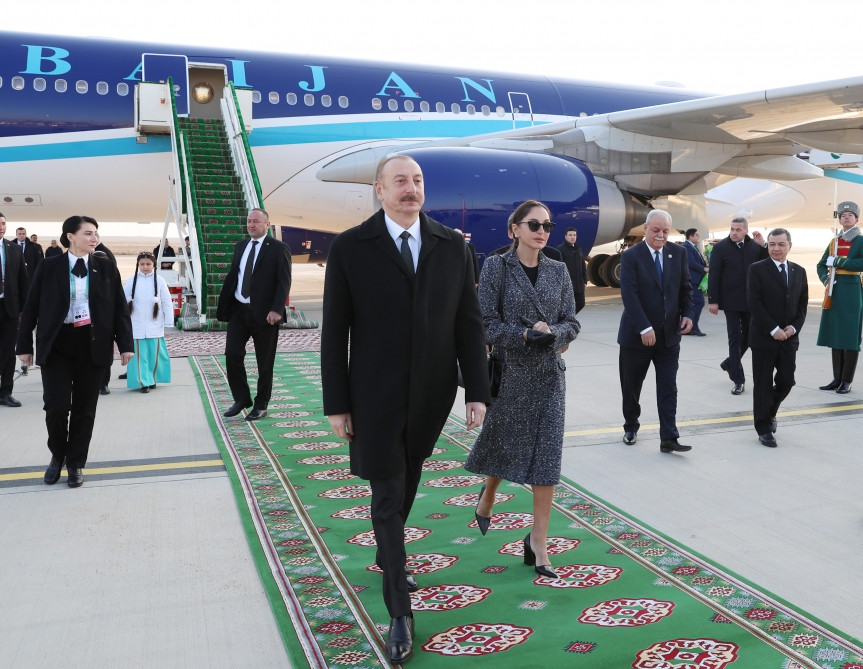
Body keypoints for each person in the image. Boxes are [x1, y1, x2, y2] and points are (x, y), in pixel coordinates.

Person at [321, 154, 489, 665]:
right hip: (373, 395)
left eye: (416, 180)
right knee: (388, 491)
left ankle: (385, 550)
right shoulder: (350, 247)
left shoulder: (452, 247)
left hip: (432, 395)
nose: (410, 188)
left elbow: (468, 323)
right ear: (379, 190)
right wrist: (337, 404)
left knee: (409, 476)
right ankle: (400, 610)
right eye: (399, 181)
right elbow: (335, 331)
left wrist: (476, 390)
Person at [466, 200, 579, 580]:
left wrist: (555, 334)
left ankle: (539, 542)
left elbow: (571, 322)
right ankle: (488, 494)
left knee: (546, 460)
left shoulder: (558, 269)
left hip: (549, 377)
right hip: (510, 373)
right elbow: (485, 323)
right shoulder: (496, 266)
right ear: (514, 229)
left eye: (547, 225)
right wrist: (525, 335)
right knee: (502, 442)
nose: (542, 231)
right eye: (534, 224)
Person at [16, 215, 133, 488]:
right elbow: (31, 306)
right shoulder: (48, 266)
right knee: (56, 407)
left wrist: (126, 344)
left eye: (96, 234)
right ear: (71, 236)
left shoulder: (106, 267)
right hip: (57, 344)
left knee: (85, 409)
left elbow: (119, 307)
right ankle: (58, 454)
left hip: (92, 343)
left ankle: (75, 462)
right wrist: (24, 346)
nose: (94, 238)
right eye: (88, 233)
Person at [617, 209, 694, 453]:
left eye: (665, 231)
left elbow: (686, 288)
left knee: (668, 387)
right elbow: (630, 296)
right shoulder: (631, 256)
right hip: (636, 337)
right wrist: (644, 327)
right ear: (645, 229)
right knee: (631, 387)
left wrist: (688, 314)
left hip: (669, 336)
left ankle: (669, 437)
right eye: (656, 230)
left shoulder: (678, 253)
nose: (661, 235)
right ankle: (631, 426)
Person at [216, 208, 292, 421]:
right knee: (232, 354)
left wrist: (277, 309)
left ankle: (261, 404)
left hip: (266, 315)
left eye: (256, 221)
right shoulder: (241, 246)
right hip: (239, 311)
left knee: (264, 363)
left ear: (267, 224)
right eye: (249, 221)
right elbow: (235, 275)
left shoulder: (278, 248)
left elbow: (284, 281)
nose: (251, 225)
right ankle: (241, 398)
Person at [747, 228, 808, 447]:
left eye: (781, 244)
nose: (776, 248)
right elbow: (754, 303)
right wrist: (774, 329)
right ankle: (764, 429)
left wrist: (793, 328)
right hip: (764, 337)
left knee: (787, 380)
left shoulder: (799, 271)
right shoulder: (757, 269)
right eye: (772, 244)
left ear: (789, 246)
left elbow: (802, 305)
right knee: (762, 384)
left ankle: (770, 410)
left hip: (789, 339)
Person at [707, 217, 768, 395]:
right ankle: (738, 379)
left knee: (749, 337)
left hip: (750, 301)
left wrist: (763, 245)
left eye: (738, 230)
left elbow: (766, 264)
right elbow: (714, 274)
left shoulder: (754, 246)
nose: (734, 233)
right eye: (732, 229)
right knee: (734, 338)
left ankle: (729, 363)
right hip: (730, 301)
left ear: (746, 230)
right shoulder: (720, 248)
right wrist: (713, 300)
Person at [816, 200, 863, 394]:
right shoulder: (834, 241)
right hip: (835, 290)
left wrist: (839, 262)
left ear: (856, 219)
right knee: (836, 335)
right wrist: (827, 280)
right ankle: (837, 379)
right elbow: (821, 265)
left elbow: (861, 263)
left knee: (850, 336)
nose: (846, 218)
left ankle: (846, 381)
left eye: (850, 215)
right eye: (843, 216)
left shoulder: (860, 240)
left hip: (852, 290)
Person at [124, 251, 173, 393]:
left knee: (154, 354)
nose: (145, 267)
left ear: (154, 265)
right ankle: (143, 382)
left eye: (148, 264)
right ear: (138, 265)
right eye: (142, 264)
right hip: (136, 323)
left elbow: (166, 302)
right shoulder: (131, 281)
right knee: (139, 356)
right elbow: (123, 301)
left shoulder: (160, 281)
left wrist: (169, 321)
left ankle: (152, 379)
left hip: (155, 324)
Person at [0, 213, 29, 407]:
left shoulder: (13, 249)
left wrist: (24, 309)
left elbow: (23, 280)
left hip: (9, 308)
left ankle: (5, 392)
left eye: (3, 223)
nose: (1, 227)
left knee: (8, 353)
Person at [683, 228, 708, 336]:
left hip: (696, 280)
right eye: (697, 235)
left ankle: (687, 326)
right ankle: (692, 327)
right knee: (699, 302)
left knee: (693, 304)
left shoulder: (692, 247)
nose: (699, 237)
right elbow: (691, 263)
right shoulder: (687, 247)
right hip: (693, 280)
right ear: (691, 236)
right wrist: (704, 269)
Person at [557, 227, 587, 313]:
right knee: (568, 306)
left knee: (581, 304)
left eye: (574, 235)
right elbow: (558, 268)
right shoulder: (560, 249)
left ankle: (570, 318)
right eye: (570, 235)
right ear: (565, 236)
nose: (572, 237)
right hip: (567, 285)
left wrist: (585, 281)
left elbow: (583, 266)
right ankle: (569, 318)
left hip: (579, 284)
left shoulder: (578, 249)